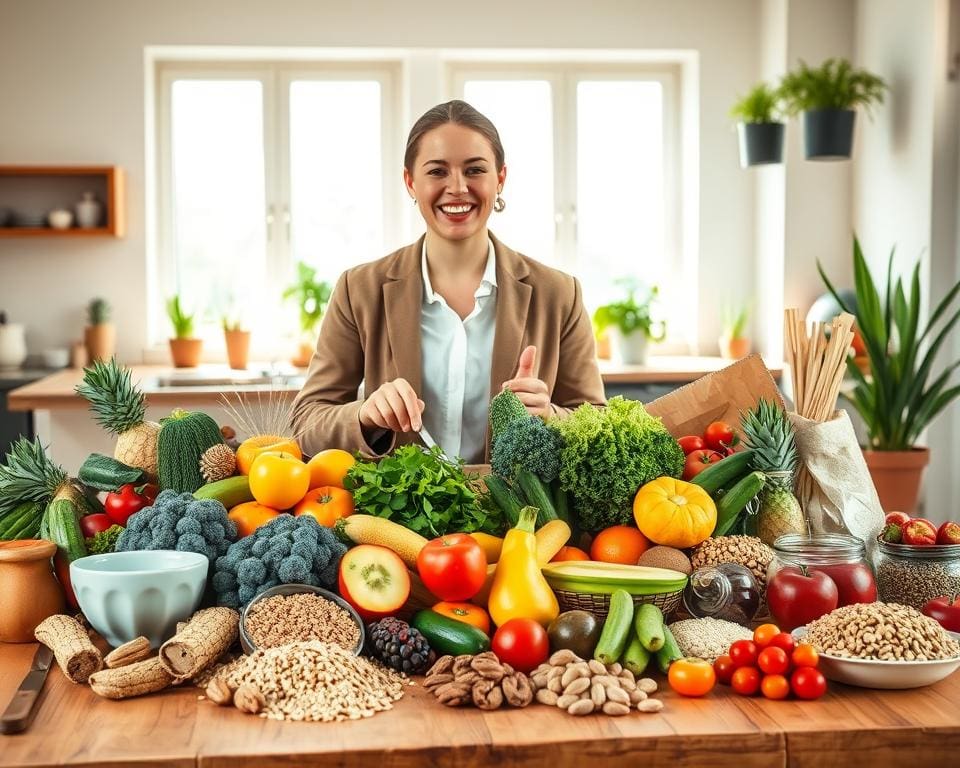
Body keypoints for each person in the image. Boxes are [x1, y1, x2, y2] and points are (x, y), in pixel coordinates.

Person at [291, 100, 605, 463]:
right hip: (394, 518)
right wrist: (363, 417)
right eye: (437, 172)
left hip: (516, 518)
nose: (457, 188)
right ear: (410, 181)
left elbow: (597, 422)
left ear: (500, 179)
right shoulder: (359, 290)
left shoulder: (560, 294)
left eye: (474, 170)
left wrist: (550, 417)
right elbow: (305, 423)